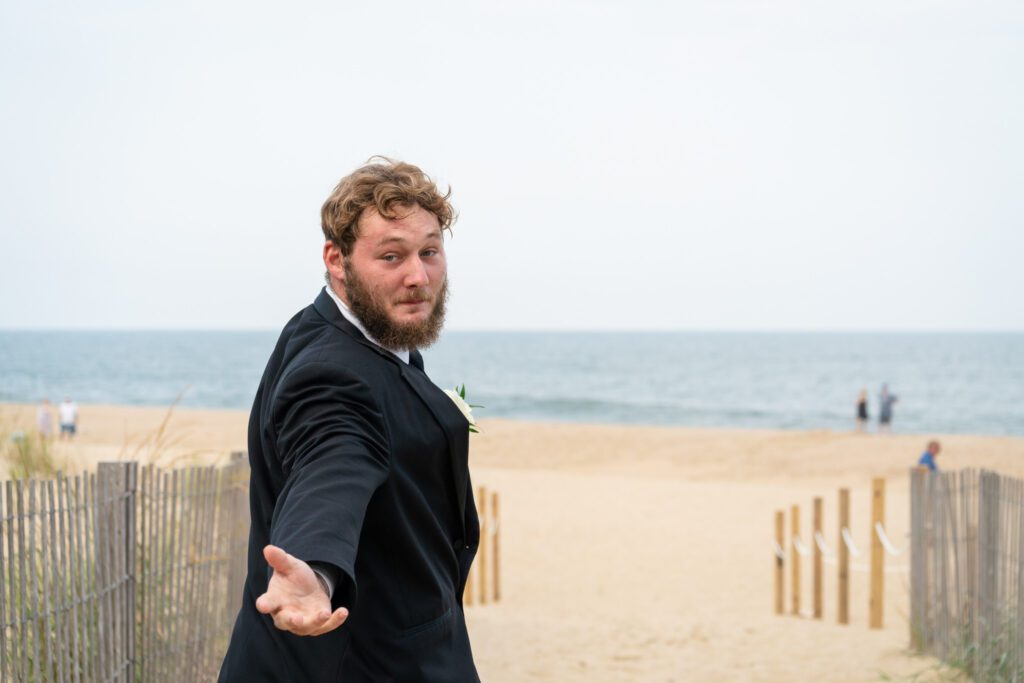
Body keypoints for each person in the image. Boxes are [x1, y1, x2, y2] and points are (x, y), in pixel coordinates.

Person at [219, 158, 480, 682]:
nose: (418, 276)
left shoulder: (358, 332)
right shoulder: (329, 373)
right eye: (391, 256)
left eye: (430, 251)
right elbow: (334, 459)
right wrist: (313, 571)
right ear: (336, 260)